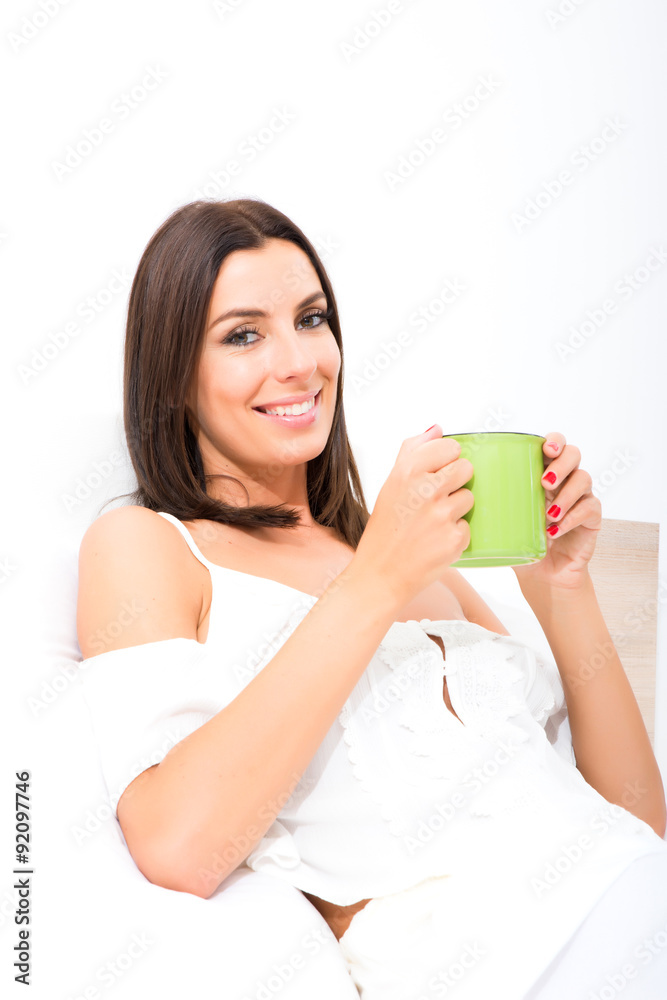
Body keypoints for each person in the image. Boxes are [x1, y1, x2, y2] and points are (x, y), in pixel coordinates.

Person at [76, 198, 667, 999]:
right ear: (174, 375)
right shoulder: (150, 546)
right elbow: (176, 844)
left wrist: (564, 588)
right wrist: (378, 577)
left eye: (311, 319)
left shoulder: (422, 564)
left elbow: (637, 826)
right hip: (514, 960)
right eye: (243, 334)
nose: (297, 362)